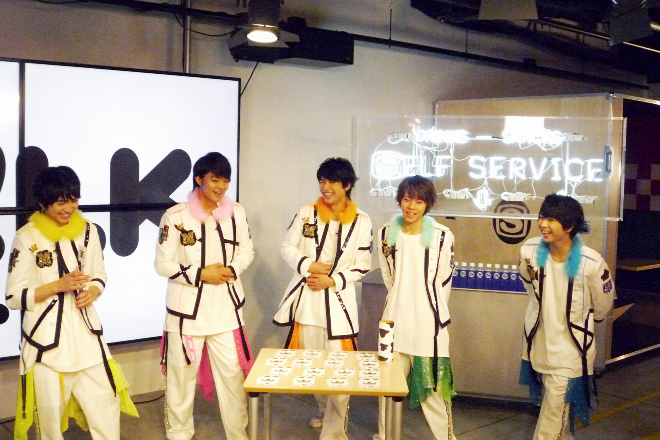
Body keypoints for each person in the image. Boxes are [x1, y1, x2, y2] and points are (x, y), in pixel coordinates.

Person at [6, 166, 137, 440]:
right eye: (60, 202)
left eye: (73, 200)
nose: (69, 208)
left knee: (106, 405)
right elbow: (13, 297)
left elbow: (99, 274)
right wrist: (57, 286)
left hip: (87, 337)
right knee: (50, 422)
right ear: (43, 203)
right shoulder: (26, 237)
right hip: (47, 345)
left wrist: (94, 290)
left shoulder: (88, 230)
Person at [155, 152, 254, 440]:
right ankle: (179, 433)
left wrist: (231, 269)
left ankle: (238, 435)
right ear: (199, 179)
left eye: (225, 180)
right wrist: (200, 274)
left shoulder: (236, 212)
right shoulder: (175, 216)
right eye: (215, 180)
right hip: (186, 316)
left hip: (226, 312)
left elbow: (247, 251)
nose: (221, 187)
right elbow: (162, 265)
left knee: (233, 379)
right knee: (181, 381)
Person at [273, 157, 372, 440]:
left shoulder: (362, 220)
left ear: (347, 185)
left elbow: (363, 265)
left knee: (340, 370)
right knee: (313, 365)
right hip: (308, 304)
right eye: (322, 181)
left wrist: (332, 280)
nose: (325, 187)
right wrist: (308, 265)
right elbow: (287, 246)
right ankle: (322, 409)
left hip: (339, 306)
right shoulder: (307, 212)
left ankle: (334, 431)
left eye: (332, 182)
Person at [518, 194, 614, 439]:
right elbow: (528, 284)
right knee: (556, 411)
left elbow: (603, 307)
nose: (543, 224)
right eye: (542, 217)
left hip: (572, 350)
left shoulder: (591, 263)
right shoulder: (529, 251)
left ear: (570, 226)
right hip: (539, 344)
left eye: (551, 219)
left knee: (553, 411)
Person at [374, 175, 457, 440]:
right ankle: (384, 437)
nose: (411, 206)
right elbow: (388, 277)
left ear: (427, 204)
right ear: (400, 199)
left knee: (434, 391)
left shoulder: (442, 236)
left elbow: (444, 281)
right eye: (407, 199)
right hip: (393, 321)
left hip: (428, 325)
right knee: (387, 388)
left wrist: (430, 311)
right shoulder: (385, 233)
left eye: (419, 201)